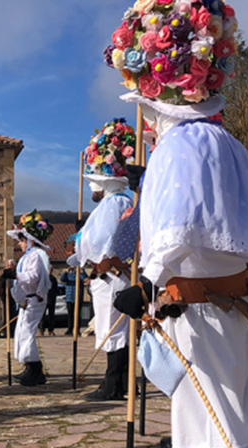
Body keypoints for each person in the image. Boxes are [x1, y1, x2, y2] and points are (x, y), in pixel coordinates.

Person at [107, 3, 248, 445]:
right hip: (228, 298)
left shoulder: (179, 143)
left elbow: (181, 223)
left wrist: (147, 281)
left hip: (201, 306)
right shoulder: (225, 141)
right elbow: (226, 215)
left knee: (209, 414)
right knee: (233, 405)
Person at [69, 118, 138, 402]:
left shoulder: (115, 204)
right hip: (106, 277)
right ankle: (119, 382)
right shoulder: (112, 204)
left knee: (114, 331)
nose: (92, 187)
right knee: (113, 330)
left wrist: (96, 258)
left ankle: (113, 385)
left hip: (111, 276)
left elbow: (110, 243)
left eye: (95, 180)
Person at [2, 211, 53, 386]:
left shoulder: (36, 255)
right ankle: (30, 366)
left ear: (31, 239)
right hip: (27, 299)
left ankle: (36, 369)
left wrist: (15, 275)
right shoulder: (29, 255)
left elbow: (33, 276)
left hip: (34, 299)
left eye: (22, 241)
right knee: (21, 332)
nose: (20, 244)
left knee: (27, 333)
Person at [60, 265, 87, 337]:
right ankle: (69, 329)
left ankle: (77, 330)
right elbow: (62, 279)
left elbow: (85, 279)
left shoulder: (80, 275)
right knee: (70, 315)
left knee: (77, 315)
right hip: (69, 298)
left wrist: (82, 271)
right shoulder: (68, 275)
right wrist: (66, 271)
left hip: (78, 298)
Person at [0, 259, 18, 335]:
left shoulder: (17, 274)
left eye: (11, 266)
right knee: (7, 315)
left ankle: (14, 332)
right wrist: (3, 297)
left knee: (15, 315)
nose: (10, 267)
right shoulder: (4, 276)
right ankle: (7, 332)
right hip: (7, 298)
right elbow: (1, 287)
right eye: (8, 266)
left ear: (14, 266)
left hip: (16, 297)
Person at [41, 267, 58, 336]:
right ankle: (42, 330)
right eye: (49, 269)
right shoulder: (43, 278)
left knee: (51, 315)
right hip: (44, 299)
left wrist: (54, 295)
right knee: (42, 316)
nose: (50, 271)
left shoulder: (54, 279)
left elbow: (56, 289)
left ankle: (51, 330)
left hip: (51, 299)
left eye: (51, 270)